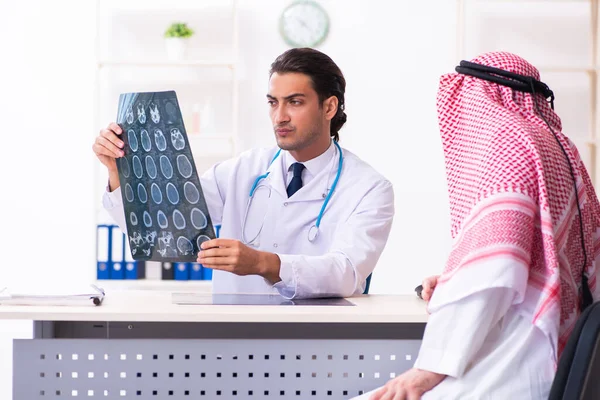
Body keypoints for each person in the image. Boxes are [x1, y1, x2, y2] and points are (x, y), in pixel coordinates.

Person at [354, 51, 600, 400]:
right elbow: (542, 258)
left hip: (508, 370)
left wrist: (426, 371)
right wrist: (455, 279)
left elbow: (494, 271)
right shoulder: (560, 146)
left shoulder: (509, 141)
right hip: (548, 363)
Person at [93, 48, 395, 299]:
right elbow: (161, 228)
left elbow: (346, 273)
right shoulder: (244, 169)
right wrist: (118, 169)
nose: (280, 117)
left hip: (319, 347)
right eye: (273, 103)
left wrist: (262, 263)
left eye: (295, 102)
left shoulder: (368, 188)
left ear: (329, 107)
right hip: (236, 343)